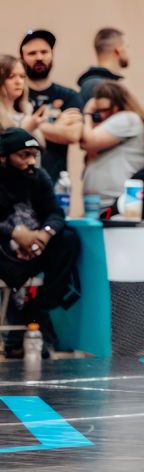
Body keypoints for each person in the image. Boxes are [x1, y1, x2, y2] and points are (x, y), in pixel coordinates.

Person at [0, 128, 80, 356]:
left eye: (33, 155)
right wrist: (14, 233)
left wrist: (44, 234)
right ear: (4, 157)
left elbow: (55, 213)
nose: (31, 161)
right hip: (4, 252)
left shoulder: (38, 176)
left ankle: (36, 308)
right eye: (23, 155)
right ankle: (21, 329)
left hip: (35, 247)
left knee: (68, 238)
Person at [18, 30, 82, 186]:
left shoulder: (68, 95)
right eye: (32, 53)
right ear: (22, 58)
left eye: (44, 52)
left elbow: (73, 134)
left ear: (52, 55)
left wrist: (27, 125)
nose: (39, 57)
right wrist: (56, 125)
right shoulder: (15, 95)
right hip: (16, 182)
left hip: (55, 184)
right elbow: (6, 132)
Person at [80, 82, 144, 204]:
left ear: (118, 105)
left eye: (105, 110)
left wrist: (87, 113)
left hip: (117, 202)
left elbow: (88, 142)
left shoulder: (127, 118)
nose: (102, 115)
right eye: (98, 111)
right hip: (103, 202)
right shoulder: (121, 121)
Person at [77, 27, 129, 94]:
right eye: (127, 47)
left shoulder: (96, 83)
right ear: (118, 51)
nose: (130, 53)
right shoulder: (99, 86)